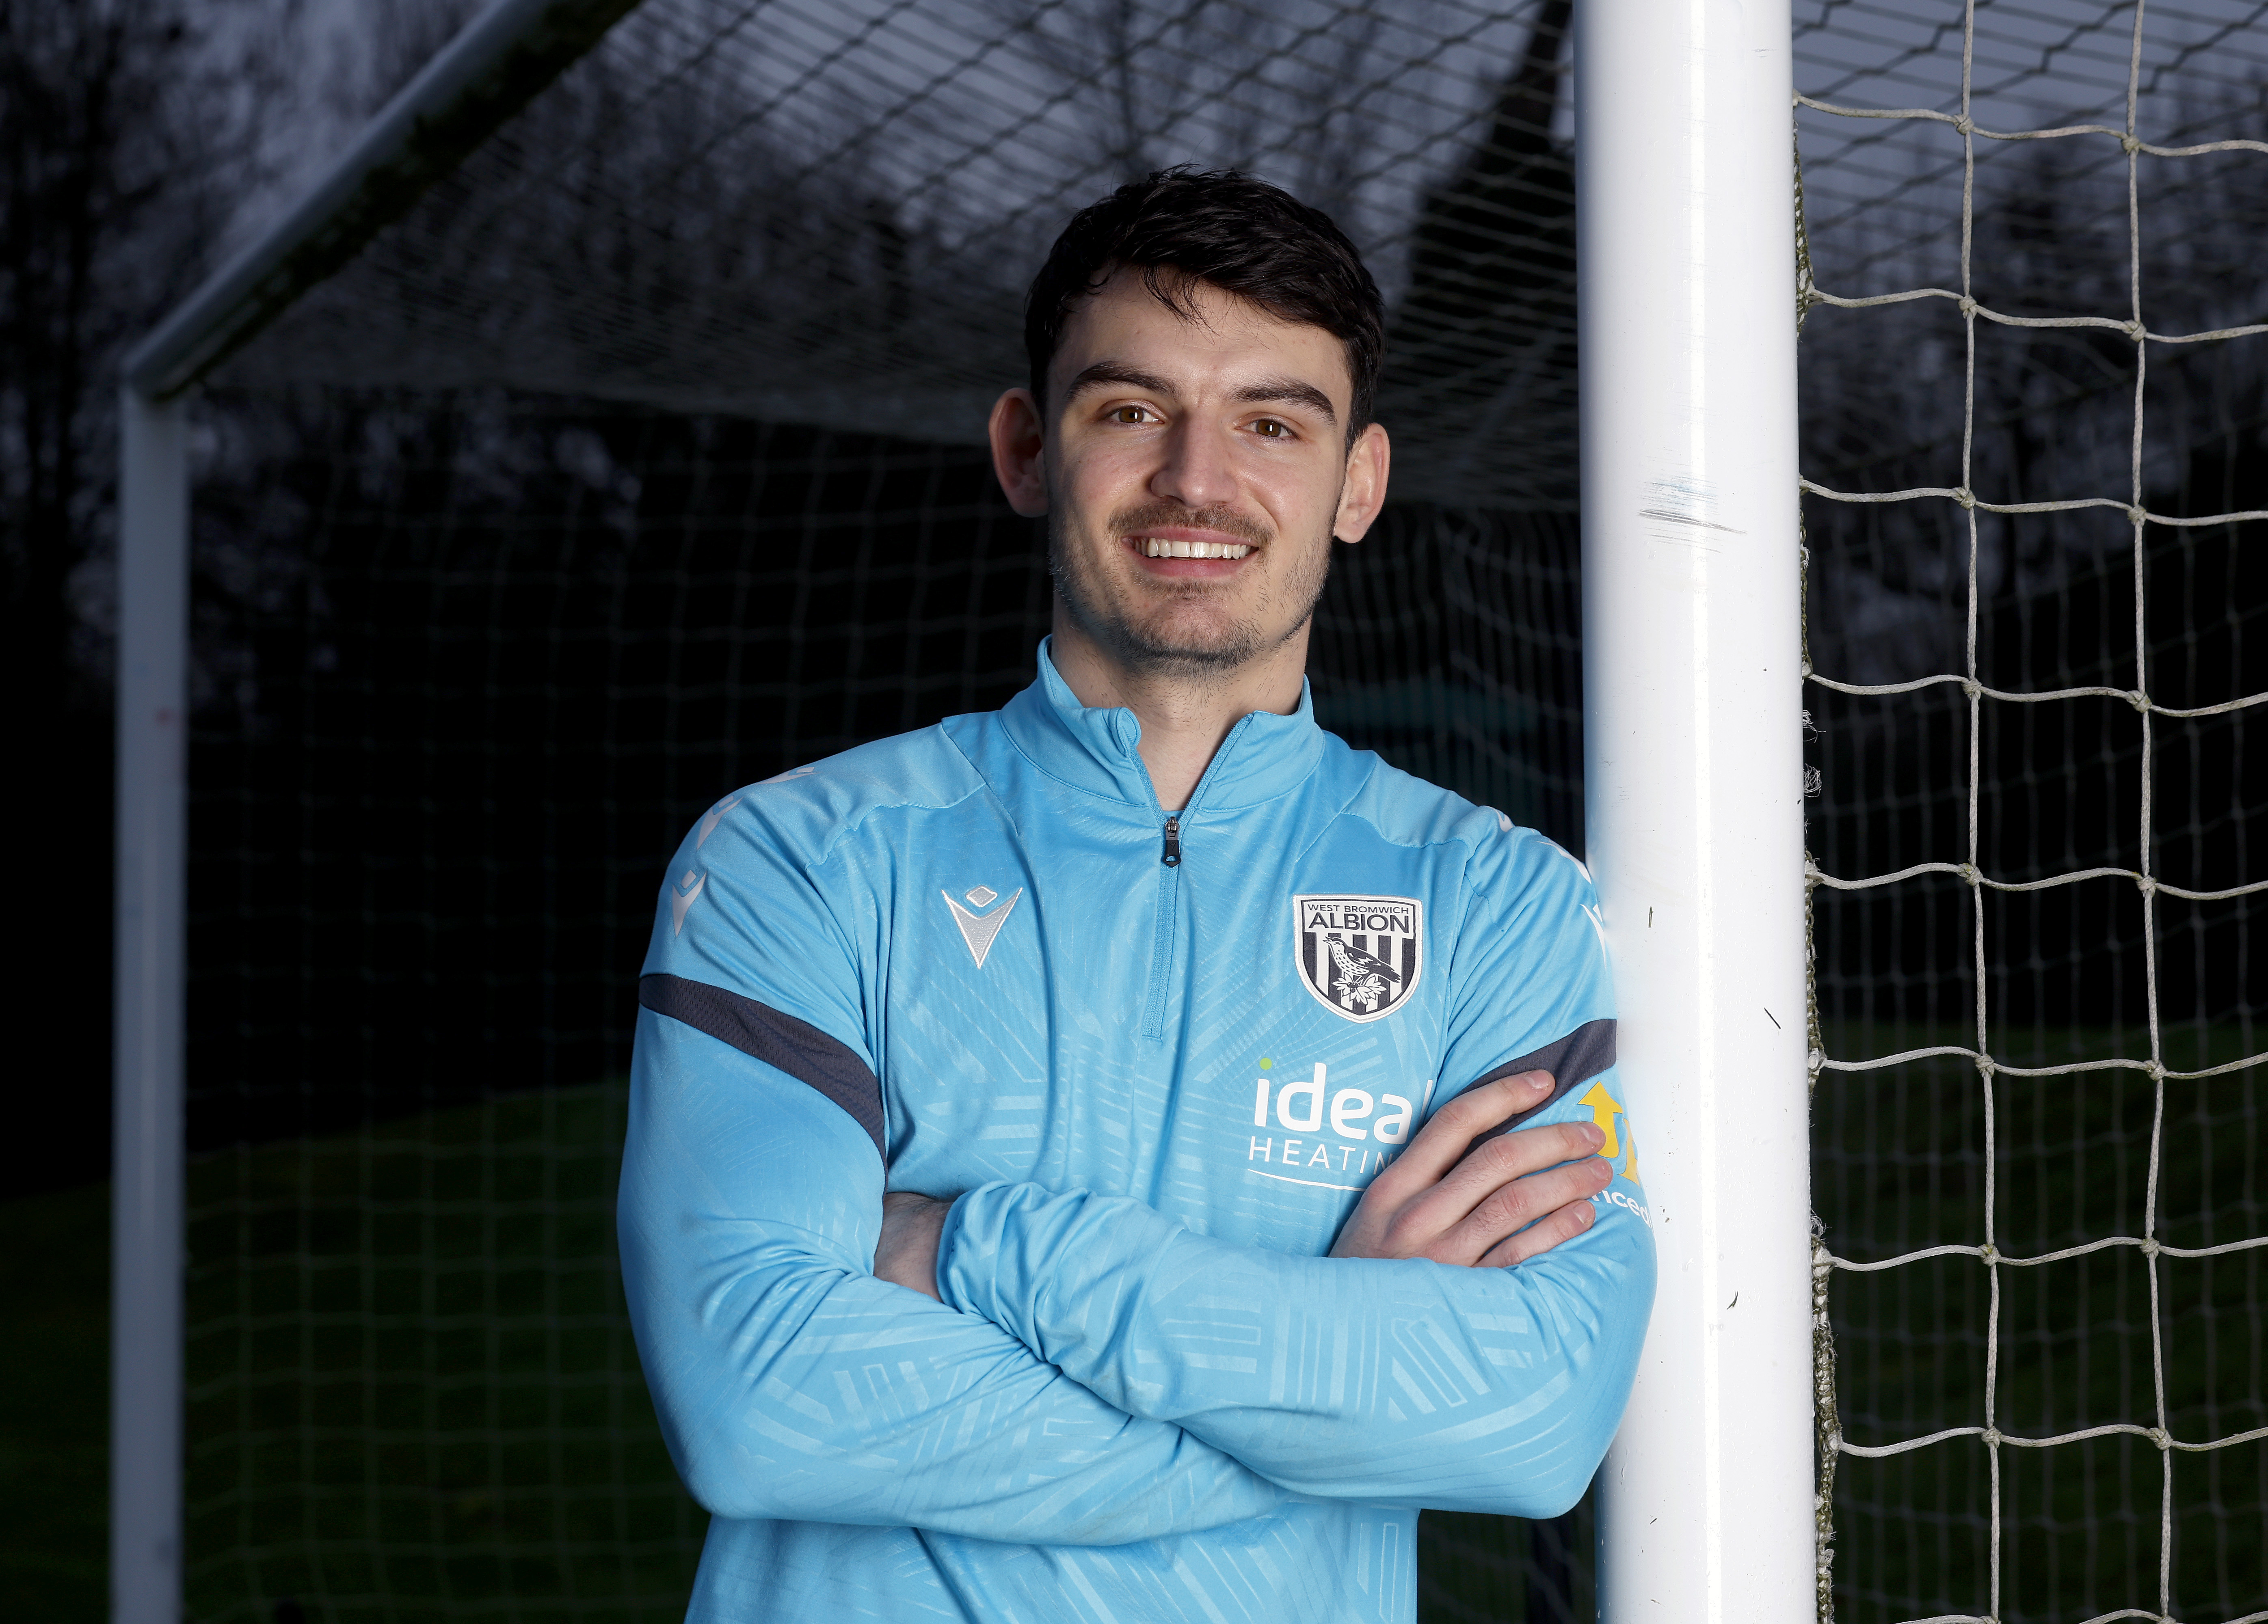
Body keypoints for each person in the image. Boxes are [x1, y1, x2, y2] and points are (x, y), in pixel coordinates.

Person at [619, 167, 1654, 1624]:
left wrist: (984, 1247)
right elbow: (760, 1398)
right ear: (1028, 449)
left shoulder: (1498, 905)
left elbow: (1538, 1419)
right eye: (1130, 411)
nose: (1197, 481)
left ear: (1359, 483)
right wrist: (1332, 1362)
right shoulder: (800, 861)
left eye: (1273, 424)